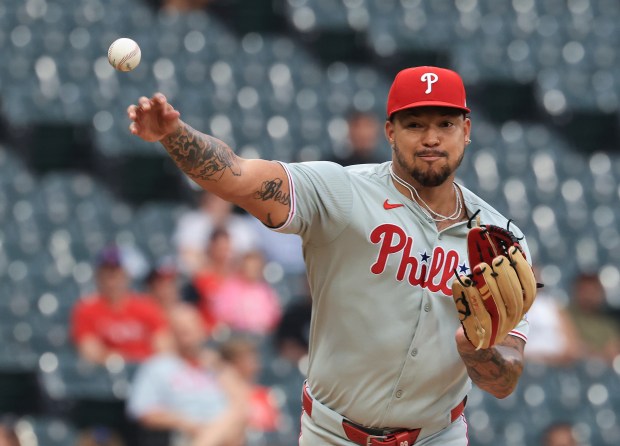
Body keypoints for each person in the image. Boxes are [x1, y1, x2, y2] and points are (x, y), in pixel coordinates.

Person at [127, 66, 535, 446]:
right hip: (334, 435)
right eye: (415, 124)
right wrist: (174, 133)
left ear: (466, 130)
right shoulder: (342, 191)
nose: (431, 138)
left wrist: (479, 352)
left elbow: (505, 381)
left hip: (436, 436)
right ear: (390, 132)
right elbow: (237, 176)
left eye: (444, 124)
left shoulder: (501, 241)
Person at [127, 304, 248, 446]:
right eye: (181, 330)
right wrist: (184, 422)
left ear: (202, 331)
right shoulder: (157, 366)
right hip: (183, 434)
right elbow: (141, 411)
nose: (187, 335)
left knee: (233, 421)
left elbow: (241, 402)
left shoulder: (215, 365)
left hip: (224, 433)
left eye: (191, 329)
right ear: (171, 334)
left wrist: (219, 366)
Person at [71, 246, 171, 365]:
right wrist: (122, 360)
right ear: (98, 276)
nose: (112, 280)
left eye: (116, 273)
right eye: (106, 273)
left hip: (146, 373)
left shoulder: (146, 306)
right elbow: (90, 351)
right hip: (107, 373)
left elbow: (164, 346)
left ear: (126, 275)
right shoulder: (86, 309)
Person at [173, 190, 259, 276]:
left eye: (224, 199)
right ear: (206, 198)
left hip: (236, 280)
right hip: (201, 280)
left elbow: (251, 259)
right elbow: (188, 258)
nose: (220, 203)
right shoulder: (191, 221)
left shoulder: (241, 225)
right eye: (215, 198)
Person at [208, 250, 282, 336]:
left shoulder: (265, 290)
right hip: (236, 334)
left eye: (255, 267)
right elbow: (221, 313)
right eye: (249, 266)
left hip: (261, 335)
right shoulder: (229, 287)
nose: (252, 270)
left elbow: (274, 316)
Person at [219, 337, 282, 436]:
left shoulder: (264, 393)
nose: (254, 362)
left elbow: (277, 427)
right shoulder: (222, 389)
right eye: (246, 358)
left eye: (254, 357)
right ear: (232, 362)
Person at [565, 272, 620, 362]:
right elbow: (572, 347)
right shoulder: (565, 316)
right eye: (585, 290)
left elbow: (614, 347)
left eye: (593, 291)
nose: (589, 296)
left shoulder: (608, 322)